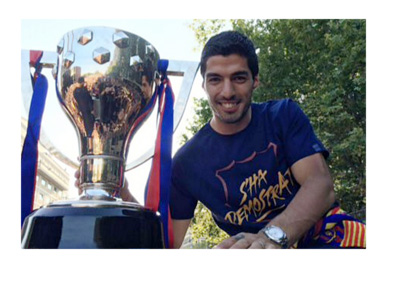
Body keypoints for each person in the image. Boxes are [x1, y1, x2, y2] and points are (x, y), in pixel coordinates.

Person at [76, 31, 366, 249]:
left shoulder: (283, 116)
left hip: (328, 241)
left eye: (239, 78)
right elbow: (167, 243)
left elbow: (320, 185)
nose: (227, 91)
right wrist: (121, 195)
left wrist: (270, 238)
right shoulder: (187, 163)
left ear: (256, 81)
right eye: (215, 79)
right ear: (203, 84)